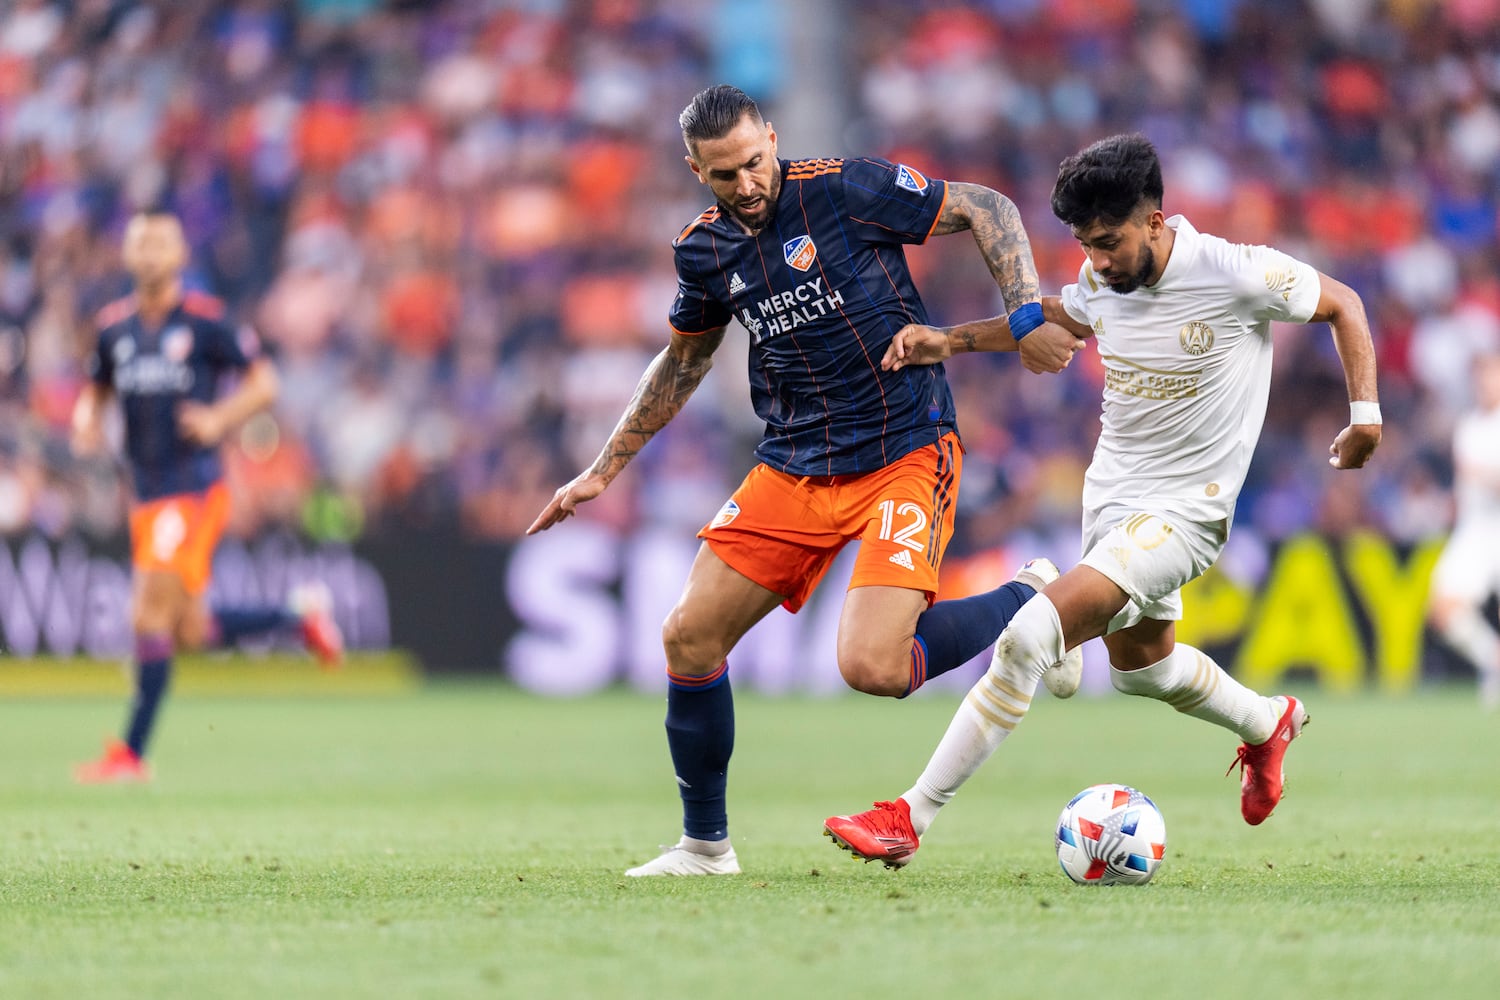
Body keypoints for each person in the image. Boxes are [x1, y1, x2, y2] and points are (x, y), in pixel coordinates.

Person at [526, 84, 1083, 876]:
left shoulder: (844, 189)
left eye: (755, 163)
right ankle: (705, 847)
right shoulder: (704, 250)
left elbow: (987, 206)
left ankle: (1033, 597)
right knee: (688, 637)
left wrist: (1025, 314)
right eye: (725, 175)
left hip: (905, 447)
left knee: (875, 669)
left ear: (773, 140)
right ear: (697, 171)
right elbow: (685, 359)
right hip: (794, 459)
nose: (747, 185)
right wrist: (601, 470)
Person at [824, 133, 1382, 868]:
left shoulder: (1235, 271)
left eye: (1110, 242)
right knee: (1142, 669)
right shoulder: (1103, 285)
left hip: (1186, 515)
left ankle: (909, 816)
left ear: (1155, 220)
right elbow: (1062, 314)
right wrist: (947, 342)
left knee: (1027, 640)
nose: (1098, 261)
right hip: (1112, 502)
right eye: (1086, 245)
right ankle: (1266, 721)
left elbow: (1343, 303)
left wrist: (1365, 415)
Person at [70, 210, 344, 784]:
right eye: (138, 240)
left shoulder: (204, 322)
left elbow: (265, 383)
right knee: (191, 630)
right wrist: (85, 422)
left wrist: (220, 418)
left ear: (178, 255)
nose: (147, 250)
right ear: (127, 254)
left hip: (192, 489)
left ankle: (131, 756)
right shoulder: (114, 328)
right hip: (145, 495)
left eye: (159, 241)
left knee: (147, 612)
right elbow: (93, 393)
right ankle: (299, 616)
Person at [1427, 351, 1500, 709]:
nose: (1485, 383)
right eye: (1480, 376)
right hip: (1475, 530)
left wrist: (1485, 476)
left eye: (1492, 375)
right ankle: (1493, 661)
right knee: (1443, 609)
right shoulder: (1469, 426)